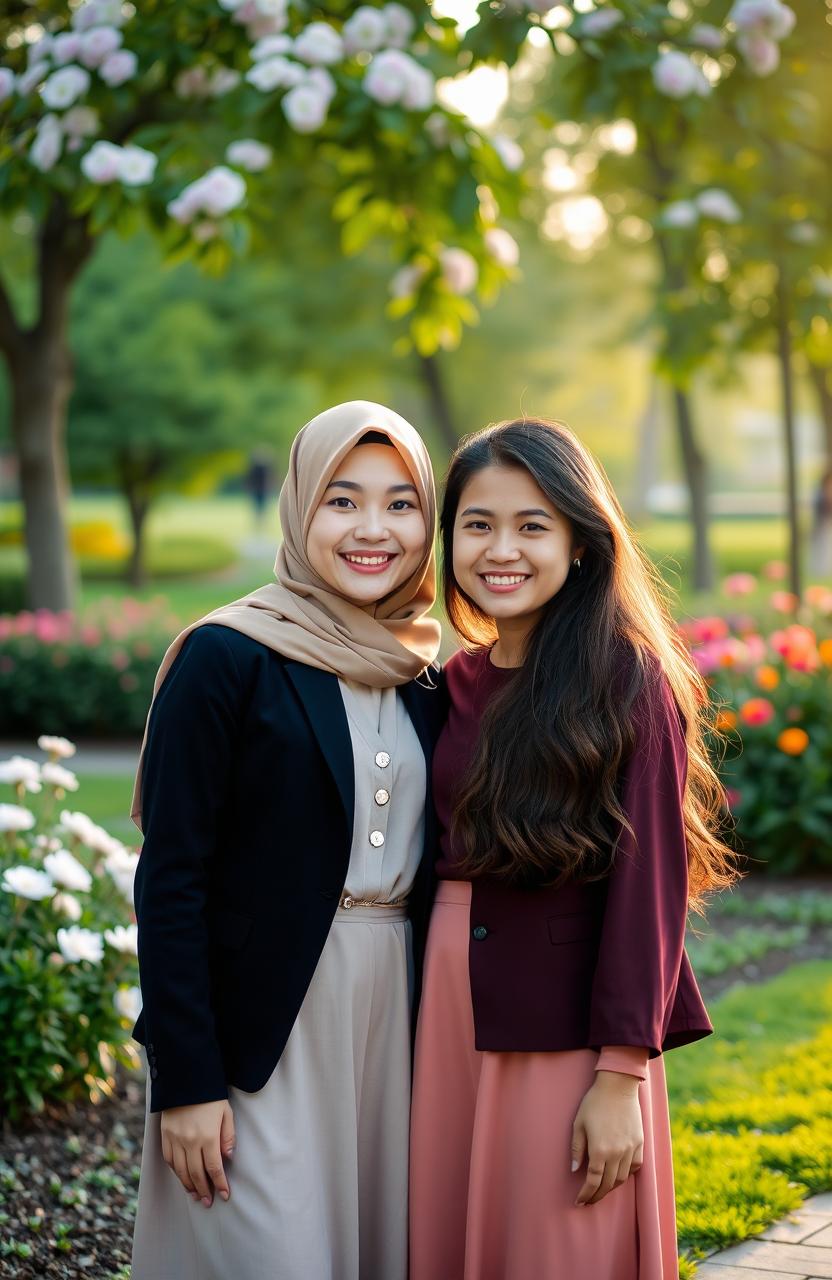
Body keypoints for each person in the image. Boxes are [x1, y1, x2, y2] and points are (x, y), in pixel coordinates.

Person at [409, 417, 739, 1280]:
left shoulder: (628, 680)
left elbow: (651, 891)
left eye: (532, 525)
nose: (500, 549)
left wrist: (620, 1075)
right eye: (478, 524)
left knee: (558, 1245)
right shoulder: (451, 683)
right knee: (449, 1237)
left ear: (581, 543)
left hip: (569, 1031)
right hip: (443, 1009)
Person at [129, 401, 443, 1280]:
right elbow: (172, 879)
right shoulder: (227, 656)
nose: (372, 529)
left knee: (370, 1247)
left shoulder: (425, 675)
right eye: (342, 501)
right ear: (300, 505)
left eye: (401, 503)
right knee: (266, 1249)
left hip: (396, 1011)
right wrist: (187, 1080)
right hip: (260, 1019)